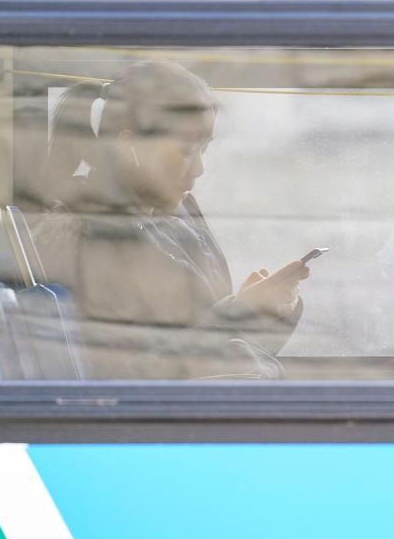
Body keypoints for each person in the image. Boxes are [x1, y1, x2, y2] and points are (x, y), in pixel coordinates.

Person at [33, 60, 309, 379]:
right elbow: (138, 372)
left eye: (204, 150)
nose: (200, 169)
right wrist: (241, 310)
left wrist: (263, 308)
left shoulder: (178, 214)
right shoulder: (91, 234)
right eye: (186, 151)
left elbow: (208, 346)